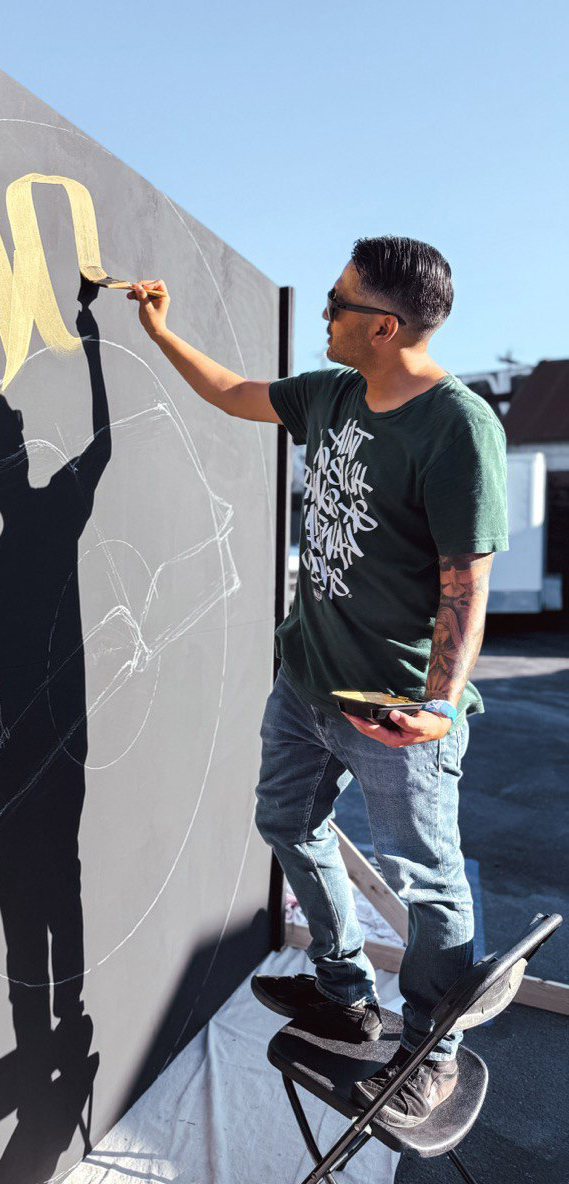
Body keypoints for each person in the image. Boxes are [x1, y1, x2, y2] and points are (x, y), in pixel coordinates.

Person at [127, 236, 508, 1128]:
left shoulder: (457, 428)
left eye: (338, 306)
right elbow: (230, 394)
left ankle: (432, 1052)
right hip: (307, 685)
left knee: (427, 882)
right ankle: (344, 992)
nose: (325, 317)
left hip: (392, 713)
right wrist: (159, 331)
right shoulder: (333, 393)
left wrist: (439, 707)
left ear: (383, 326)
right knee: (285, 821)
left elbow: (467, 584)